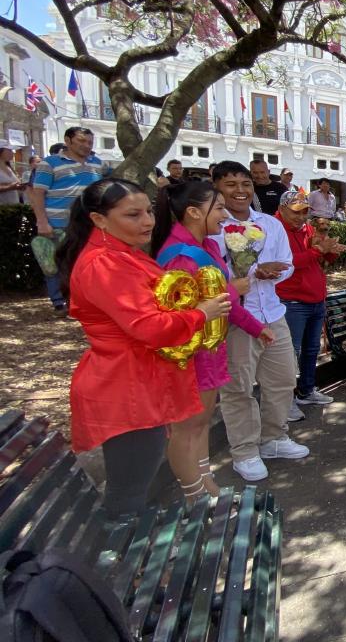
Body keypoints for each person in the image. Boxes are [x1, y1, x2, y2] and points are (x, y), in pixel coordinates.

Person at [57, 178, 231, 516]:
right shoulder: (103, 264)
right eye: (133, 215)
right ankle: (121, 561)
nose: (148, 221)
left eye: (149, 211)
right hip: (124, 390)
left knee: (137, 481)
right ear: (99, 220)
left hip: (140, 382)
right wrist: (201, 313)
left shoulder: (123, 255)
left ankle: (127, 557)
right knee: (128, 493)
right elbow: (150, 327)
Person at [152, 180, 275, 500]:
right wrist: (235, 289)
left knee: (201, 425)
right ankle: (195, 495)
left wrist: (254, 326)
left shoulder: (206, 247)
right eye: (218, 208)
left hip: (210, 350)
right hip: (191, 356)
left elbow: (223, 303)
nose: (224, 215)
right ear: (193, 212)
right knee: (186, 430)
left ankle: (207, 484)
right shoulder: (179, 256)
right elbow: (187, 311)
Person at [212, 161, 308, 481]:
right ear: (217, 189)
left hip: (273, 313)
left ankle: (274, 438)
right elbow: (212, 276)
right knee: (239, 388)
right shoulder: (215, 229)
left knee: (282, 380)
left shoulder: (270, 223)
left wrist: (274, 271)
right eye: (231, 184)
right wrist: (253, 273)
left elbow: (288, 264)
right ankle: (245, 451)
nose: (240, 190)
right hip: (238, 319)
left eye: (245, 184)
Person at [29, 127, 112, 317]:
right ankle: (60, 303)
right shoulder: (49, 164)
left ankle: (82, 300)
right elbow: (37, 194)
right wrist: (42, 221)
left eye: (90, 142)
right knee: (55, 262)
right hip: (57, 222)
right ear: (68, 140)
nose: (86, 146)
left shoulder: (97, 164)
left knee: (85, 262)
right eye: (82, 141)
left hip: (87, 224)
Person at [276, 189, 346, 409]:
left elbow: (318, 257)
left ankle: (306, 391)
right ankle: (283, 403)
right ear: (281, 209)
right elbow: (287, 263)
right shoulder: (275, 230)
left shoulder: (307, 228)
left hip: (315, 300)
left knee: (311, 350)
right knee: (289, 354)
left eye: (305, 211)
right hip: (292, 301)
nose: (301, 216)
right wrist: (318, 251)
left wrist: (331, 251)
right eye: (296, 211)